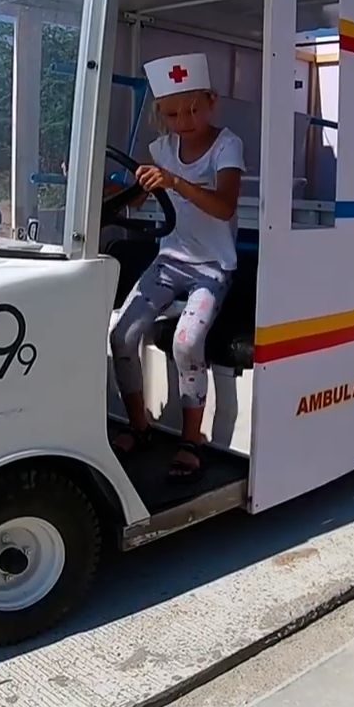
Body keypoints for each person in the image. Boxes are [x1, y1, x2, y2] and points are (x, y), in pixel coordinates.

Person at [110, 53, 244, 482]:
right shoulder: (161, 150)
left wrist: (176, 182)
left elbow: (224, 207)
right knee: (121, 335)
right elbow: (136, 199)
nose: (184, 121)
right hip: (169, 261)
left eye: (193, 109)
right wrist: (112, 190)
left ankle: (191, 440)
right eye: (172, 114)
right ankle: (139, 426)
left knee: (186, 342)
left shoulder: (227, 146)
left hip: (212, 267)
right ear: (160, 114)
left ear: (211, 102)